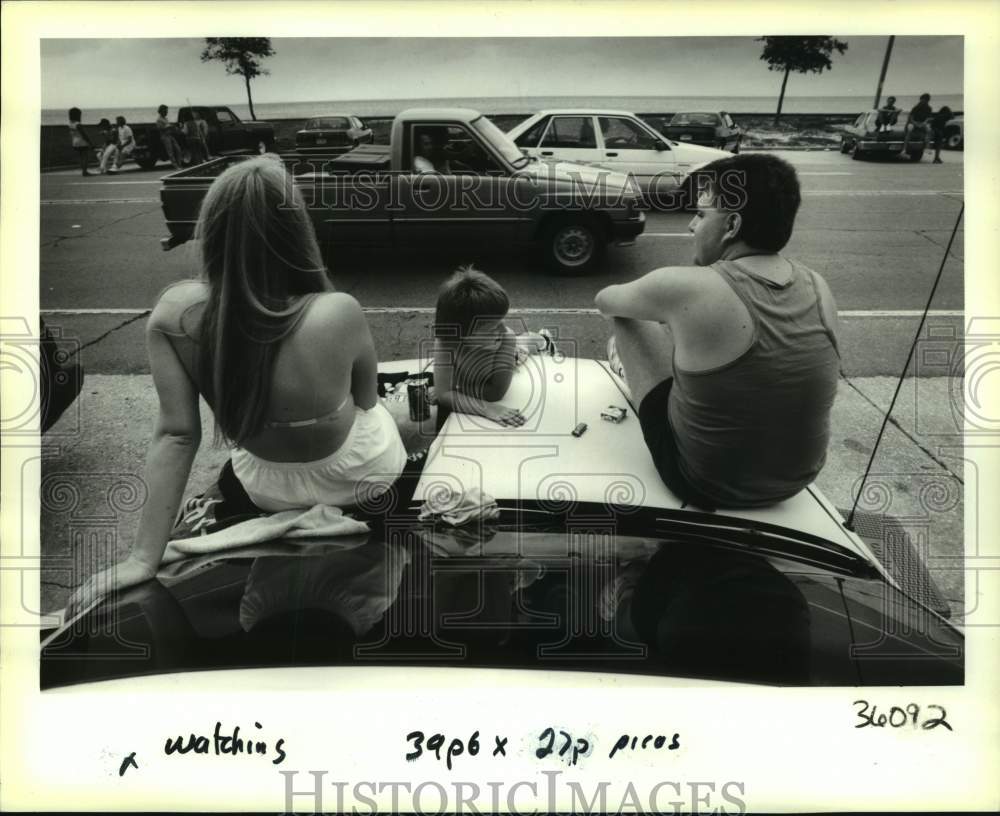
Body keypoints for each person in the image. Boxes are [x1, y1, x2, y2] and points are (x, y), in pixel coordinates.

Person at [67, 156, 407, 612]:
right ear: (296, 232)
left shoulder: (174, 314)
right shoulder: (338, 310)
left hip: (264, 486)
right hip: (359, 478)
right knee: (389, 412)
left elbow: (176, 434)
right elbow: (366, 401)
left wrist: (142, 557)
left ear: (215, 233)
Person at [594, 154, 840, 510]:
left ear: (732, 226)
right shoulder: (817, 285)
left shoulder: (686, 286)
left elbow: (605, 301)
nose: (691, 226)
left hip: (705, 485)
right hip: (796, 482)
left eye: (701, 214)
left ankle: (626, 368)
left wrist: (668, 306)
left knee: (629, 320)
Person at [432, 266, 547, 430]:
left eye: (501, 321)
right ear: (462, 333)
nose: (501, 329)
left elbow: (496, 393)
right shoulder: (446, 340)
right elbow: (444, 395)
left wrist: (454, 390)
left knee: (524, 345)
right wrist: (447, 392)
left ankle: (544, 339)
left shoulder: (505, 337)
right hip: (477, 365)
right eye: (492, 328)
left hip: (512, 352)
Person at [67, 107, 93, 176]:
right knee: (85, 157)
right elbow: (84, 135)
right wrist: (90, 143)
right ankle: (85, 171)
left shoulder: (70, 124)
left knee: (81, 157)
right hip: (82, 142)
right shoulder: (78, 124)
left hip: (75, 142)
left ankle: (83, 170)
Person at [156, 104, 182, 169]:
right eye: (165, 111)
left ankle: (179, 164)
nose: (166, 112)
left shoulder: (165, 118)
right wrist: (169, 127)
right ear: (161, 111)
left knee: (178, 149)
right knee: (170, 152)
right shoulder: (159, 120)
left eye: (167, 111)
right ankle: (176, 166)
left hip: (170, 135)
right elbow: (160, 128)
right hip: (165, 137)